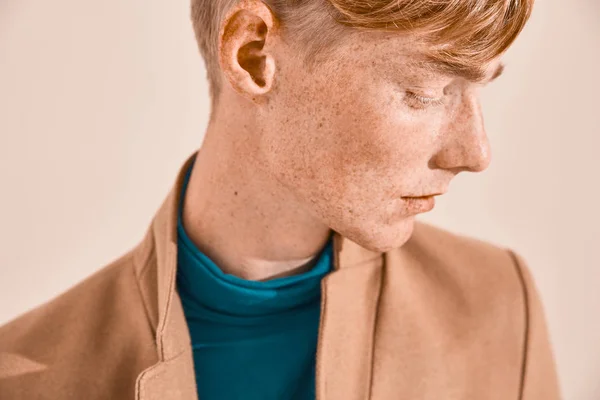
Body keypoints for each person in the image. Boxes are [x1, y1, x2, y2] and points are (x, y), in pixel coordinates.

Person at [0, 0, 561, 398]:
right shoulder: (23, 377)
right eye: (425, 91)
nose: (475, 152)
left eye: (476, 89)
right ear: (253, 54)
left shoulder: (498, 304)